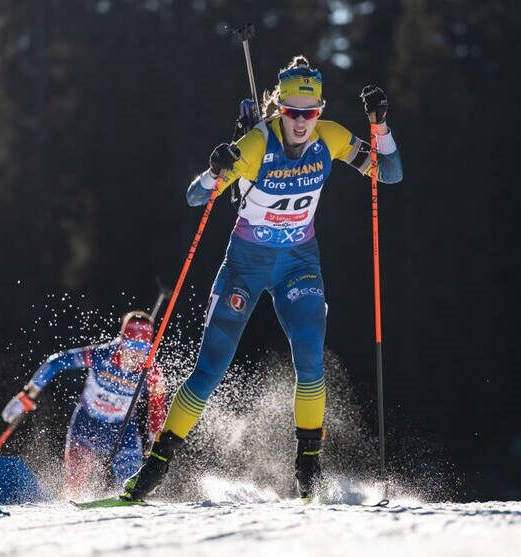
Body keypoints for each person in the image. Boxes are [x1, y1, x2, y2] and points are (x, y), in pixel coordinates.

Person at [122, 55, 403, 501]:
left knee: (310, 355)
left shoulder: (329, 138)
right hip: (245, 267)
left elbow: (390, 173)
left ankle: (308, 468)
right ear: (279, 111)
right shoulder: (255, 145)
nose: (301, 122)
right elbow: (196, 197)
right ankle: (154, 468)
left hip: (298, 263)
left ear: (321, 111)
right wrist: (215, 170)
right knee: (209, 370)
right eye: (292, 112)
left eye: (310, 113)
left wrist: (380, 127)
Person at [0, 311, 165, 497]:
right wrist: (28, 395)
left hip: (123, 429)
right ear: (121, 340)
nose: (136, 352)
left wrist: (155, 450)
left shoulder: (151, 373)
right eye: (131, 344)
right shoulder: (102, 355)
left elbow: (157, 411)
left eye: (142, 347)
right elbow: (56, 362)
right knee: (74, 487)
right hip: (87, 424)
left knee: (137, 485)